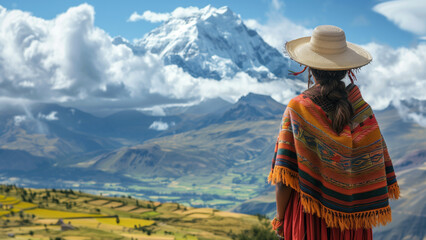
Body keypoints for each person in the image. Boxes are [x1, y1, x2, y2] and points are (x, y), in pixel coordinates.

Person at [268, 25, 400, 240]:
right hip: (352, 223)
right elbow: (375, 168)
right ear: (347, 70)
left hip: (307, 217)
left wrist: (281, 219)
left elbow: (285, 177)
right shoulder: (363, 112)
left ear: (309, 68)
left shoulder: (298, 109)